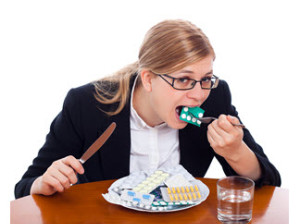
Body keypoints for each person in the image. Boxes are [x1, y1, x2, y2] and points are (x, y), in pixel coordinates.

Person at [15, 19, 281, 199]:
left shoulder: (214, 98)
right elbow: (25, 187)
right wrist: (44, 183)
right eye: (184, 79)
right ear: (148, 79)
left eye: (205, 78)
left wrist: (235, 152)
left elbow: (268, 183)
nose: (198, 94)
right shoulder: (87, 105)